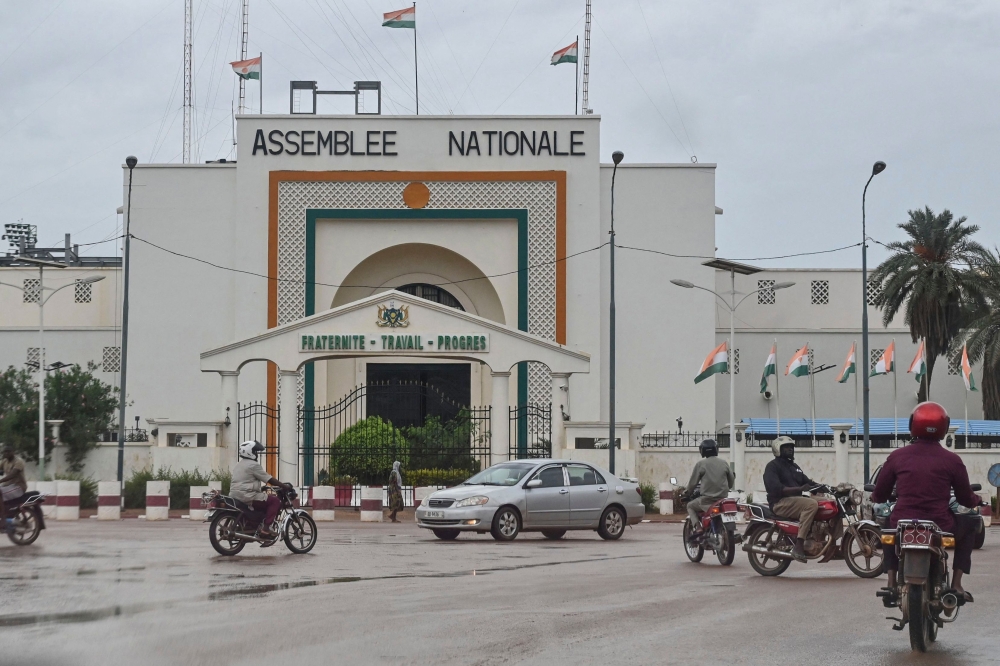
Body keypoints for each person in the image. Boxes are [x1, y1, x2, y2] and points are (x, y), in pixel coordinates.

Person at [872, 402, 981, 606]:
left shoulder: (897, 457)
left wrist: (876, 497)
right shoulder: (952, 460)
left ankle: (891, 581)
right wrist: (977, 500)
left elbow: (879, 494)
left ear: (913, 424)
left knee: (887, 529)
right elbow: (966, 498)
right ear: (944, 427)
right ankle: (957, 584)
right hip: (941, 524)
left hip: (902, 522)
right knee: (970, 524)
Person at [763, 436, 827, 562]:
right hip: (780, 502)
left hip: (795, 500)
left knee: (830, 503)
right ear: (777, 449)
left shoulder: (794, 467)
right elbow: (776, 488)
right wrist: (800, 489)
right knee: (811, 504)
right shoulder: (772, 466)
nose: (790, 449)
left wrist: (826, 487)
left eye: (791, 447)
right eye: (786, 447)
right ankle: (799, 544)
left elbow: (808, 482)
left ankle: (831, 543)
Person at [230, 440, 291, 538]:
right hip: (247, 496)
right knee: (275, 501)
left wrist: (260, 488)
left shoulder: (239, 464)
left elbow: (245, 481)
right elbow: (269, 479)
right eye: (255, 452)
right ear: (250, 452)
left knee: (264, 500)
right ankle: (266, 529)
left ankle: (252, 525)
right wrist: (284, 486)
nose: (256, 454)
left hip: (235, 495)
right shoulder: (253, 465)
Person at [684, 439, 734, 540]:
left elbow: (693, 483)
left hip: (707, 500)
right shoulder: (724, 463)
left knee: (690, 506)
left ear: (702, 451)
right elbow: (731, 480)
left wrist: (686, 493)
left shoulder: (701, 464)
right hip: (722, 500)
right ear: (716, 449)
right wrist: (726, 488)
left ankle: (698, 527)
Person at [1, 446, 28, 532]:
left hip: (18, 487)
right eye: (5, 452)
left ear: (13, 452)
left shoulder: (18, 461)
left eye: (8, 452)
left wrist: (0, 480)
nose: (6, 454)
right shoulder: (5, 461)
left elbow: (13, 474)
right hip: (8, 487)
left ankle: (3, 520)